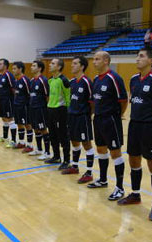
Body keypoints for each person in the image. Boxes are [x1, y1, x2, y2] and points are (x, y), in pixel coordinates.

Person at [117, 48, 152, 221]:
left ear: (151, 60)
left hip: (151, 126)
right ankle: (135, 194)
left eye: (141, 56)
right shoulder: (133, 79)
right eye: (137, 56)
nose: (137, 59)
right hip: (134, 125)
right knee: (133, 160)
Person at [87, 51, 128, 201]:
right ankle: (103, 180)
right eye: (94, 59)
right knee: (101, 149)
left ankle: (119, 187)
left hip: (111, 120)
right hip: (98, 119)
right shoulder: (97, 79)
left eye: (97, 59)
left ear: (106, 61)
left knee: (115, 152)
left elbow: (123, 100)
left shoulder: (114, 78)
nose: (94, 62)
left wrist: (118, 115)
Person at [61, 56, 95, 184]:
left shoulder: (87, 81)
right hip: (72, 116)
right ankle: (75, 166)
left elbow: (92, 102)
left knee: (86, 144)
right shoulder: (72, 81)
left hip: (82, 117)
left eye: (75, 63)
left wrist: (87, 115)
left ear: (82, 66)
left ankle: (89, 172)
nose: (72, 65)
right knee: (74, 141)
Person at [46, 58, 71, 170]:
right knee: (52, 134)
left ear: (59, 67)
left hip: (61, 110)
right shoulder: (50, 80)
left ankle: (66, 160)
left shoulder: (64, 80)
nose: (50, 65)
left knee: (63, 135)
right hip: (50, 109)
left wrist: (68, 111)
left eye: (53, 63)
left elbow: (68, 96)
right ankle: (56, 156)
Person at [27, 60, 51, 160]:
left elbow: (47, 96)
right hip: (33, 108)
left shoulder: (43, 80)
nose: (31, 67)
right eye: (31, 65)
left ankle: (47, 152)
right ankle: (39, 149)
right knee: (36, 128)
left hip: (41, 109)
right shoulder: (32, 80)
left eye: (34, 66)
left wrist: (46, 109)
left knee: (43, 129)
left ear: (39, 68)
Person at [11, 61, 34, 152]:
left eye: (15, 68)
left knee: (27, 125)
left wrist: (28, 106)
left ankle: (30, 145)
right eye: (12, 69)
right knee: (19, 124)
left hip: (25, 106)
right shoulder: (16, 80)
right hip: (17, 105)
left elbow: (30, 94)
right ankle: (21, 142)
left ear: (20, 69)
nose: (13, 70)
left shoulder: (25, 80)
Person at [0, 59, 17, 144]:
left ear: (5, 66)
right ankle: (5, 137)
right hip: (1, 100)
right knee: (4, 119)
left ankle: (14, 140)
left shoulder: (8, 75)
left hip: (8, 101)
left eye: (0, 64)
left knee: (10, 119)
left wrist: (14, 100)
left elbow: (14, 88)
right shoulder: (0, 75)